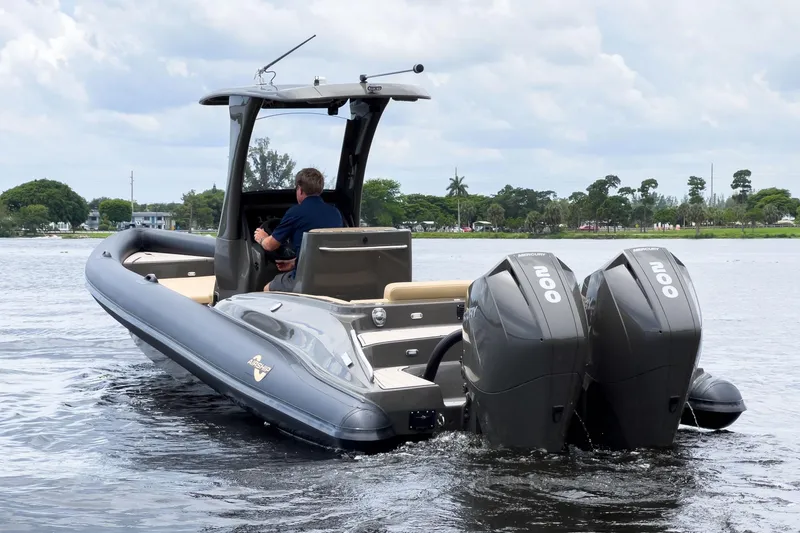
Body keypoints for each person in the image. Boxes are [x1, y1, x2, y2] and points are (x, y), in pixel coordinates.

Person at [253, 167, 343, 292]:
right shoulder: (335, 213)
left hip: (306, 279)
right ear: (320, 189)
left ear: (300, 190)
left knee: (267, 289)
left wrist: (261, 237)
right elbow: (322, 253)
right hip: (331, 277)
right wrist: (293, 264)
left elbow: (270, 245)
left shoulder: (295, 212)